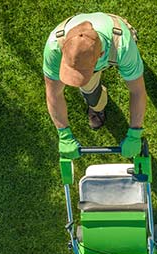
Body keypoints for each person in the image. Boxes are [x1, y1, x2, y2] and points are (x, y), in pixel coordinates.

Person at [43, 12, 146, 159]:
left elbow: (137, 90)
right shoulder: (55, 48)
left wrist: (135, 133)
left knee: (132, 67)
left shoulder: (122, 45)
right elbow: (53, 93)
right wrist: (63, 134)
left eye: (81, 72)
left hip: (115, 42)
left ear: (101, 54)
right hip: (101, 56)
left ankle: (129, 30)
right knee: (91, 96)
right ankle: (97, 108)